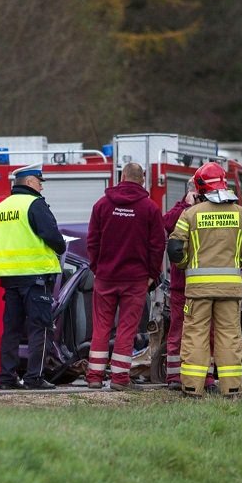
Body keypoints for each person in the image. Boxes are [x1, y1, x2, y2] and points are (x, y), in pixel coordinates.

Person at [167, 162, 242, 398]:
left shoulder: (190, 215)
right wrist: (237, 261)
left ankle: (191, 388)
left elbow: (175, 248)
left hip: (198, 291)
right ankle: (231, 388)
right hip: (230, 289)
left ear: (199, 187)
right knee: (229, 336)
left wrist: (185, 264)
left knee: (195, 336)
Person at [84, 162, 165, 391]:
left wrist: (97, 268)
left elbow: (92, 241)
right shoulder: (150, 209)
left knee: (101, 327)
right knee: (127, 328)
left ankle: (94, 377)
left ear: (121, 177)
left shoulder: (102, 205)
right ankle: (120, 379)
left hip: (106, 277)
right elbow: (157, 246)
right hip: (136, 279)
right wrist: (151, 274)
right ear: (142, 180)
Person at [0, 163, 66, 390]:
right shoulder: (34, 204)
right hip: (35, 277)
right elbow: (53, 236)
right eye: (40, 182)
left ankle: (7, 377)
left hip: (10, 278)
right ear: (30, 182)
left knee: (12, 330)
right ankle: (34, 377)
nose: (42, 187)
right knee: (40, 328)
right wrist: (60, 247)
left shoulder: (0, 208)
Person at [162, 181, 217, 394]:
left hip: (206, 285)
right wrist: (185, 205)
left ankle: (207, 376)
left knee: (208, 333)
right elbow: (167, 224)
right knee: (179, 330)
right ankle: (175, 375)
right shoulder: (182, 210)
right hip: (182, 285)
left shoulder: (215, 211)